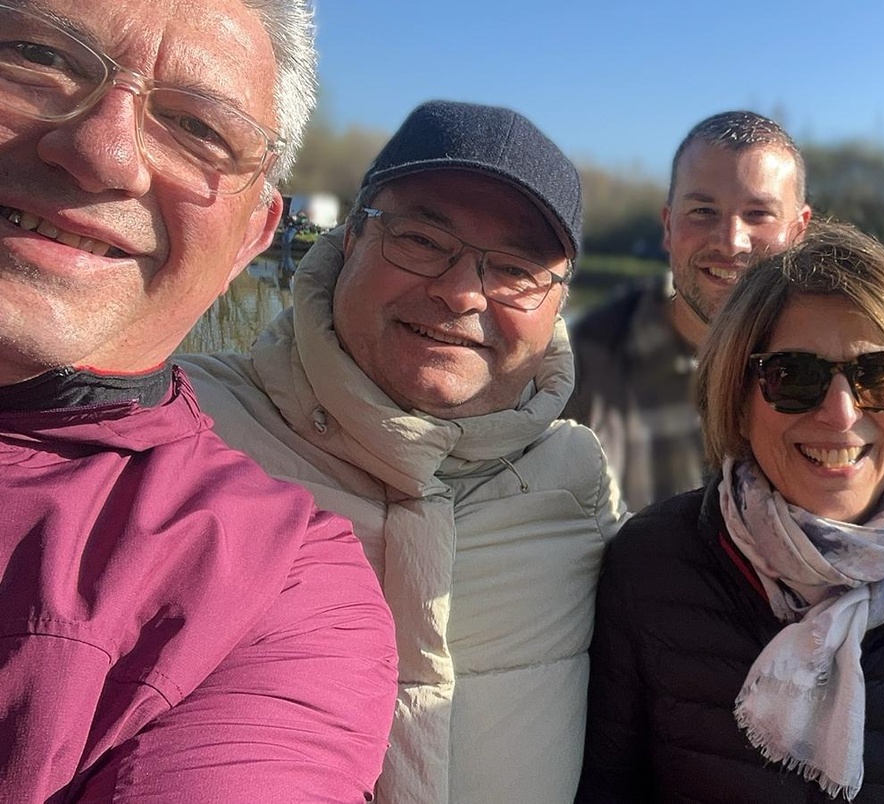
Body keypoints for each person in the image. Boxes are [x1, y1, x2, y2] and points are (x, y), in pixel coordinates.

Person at [0, 0, 397, 800]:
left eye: (199, 129)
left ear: (252, 238)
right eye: (39, 58)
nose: (103, 150)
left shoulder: (268, 586)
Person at [178, 100, 626, 803]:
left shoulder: (576, 479)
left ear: (557, 302)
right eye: (420, 239)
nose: (459, 293)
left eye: (515, 269)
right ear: (352, 237)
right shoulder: (183, 426)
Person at [579, 220, 884, 802]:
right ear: (737, 400)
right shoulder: (652, 565)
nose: (841, 413)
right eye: (793, 376)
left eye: (879, 375)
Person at [565, 110, 811, 512]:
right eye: (703, 211)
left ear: (799, 231)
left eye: (758, 214)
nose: (732, 243)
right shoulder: (578, 367)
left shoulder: (842, 367)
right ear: (668, 226)